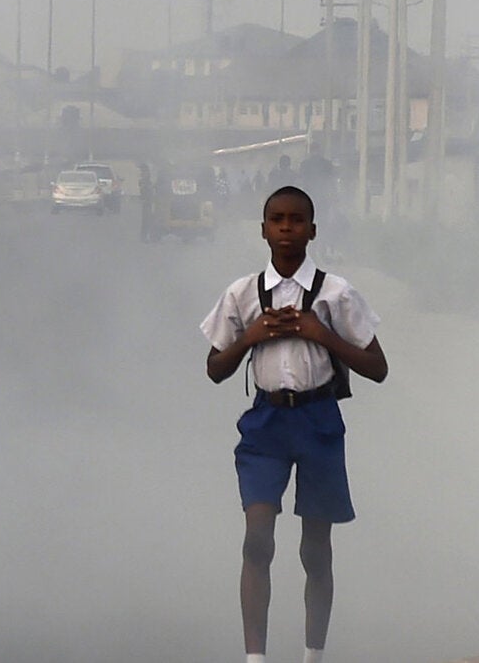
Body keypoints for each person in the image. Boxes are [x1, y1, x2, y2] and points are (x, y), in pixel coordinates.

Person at [201, 186, 389, 663]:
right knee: (257, 537)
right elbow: (215, 368)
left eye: (297, 220)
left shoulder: (335, 292)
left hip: (318, 419)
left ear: (313, 230)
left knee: (315, 547)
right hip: (266, 422)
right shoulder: (242, 293)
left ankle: (313, 654)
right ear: (263, 230)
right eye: (278, 220)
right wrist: (250, 337)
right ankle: (255, 658)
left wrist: (319, 333)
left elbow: (377, 366)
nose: (287, 228)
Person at [138, 162, 155, 242]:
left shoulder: (146, 181)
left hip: (149, 201)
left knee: (147, 220)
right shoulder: (144, 182)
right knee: (147, 220)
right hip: (147, 202)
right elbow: (144, 191)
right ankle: (145, 237)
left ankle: (146, 236)